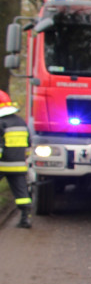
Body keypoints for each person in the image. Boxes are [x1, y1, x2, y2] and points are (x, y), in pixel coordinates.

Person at [0, 91, 32, 228]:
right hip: (19, 165)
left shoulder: (1, 123)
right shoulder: (20, 122)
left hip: (2, 164)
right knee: (22, 193)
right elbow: (28, 144)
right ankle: (26, 219)